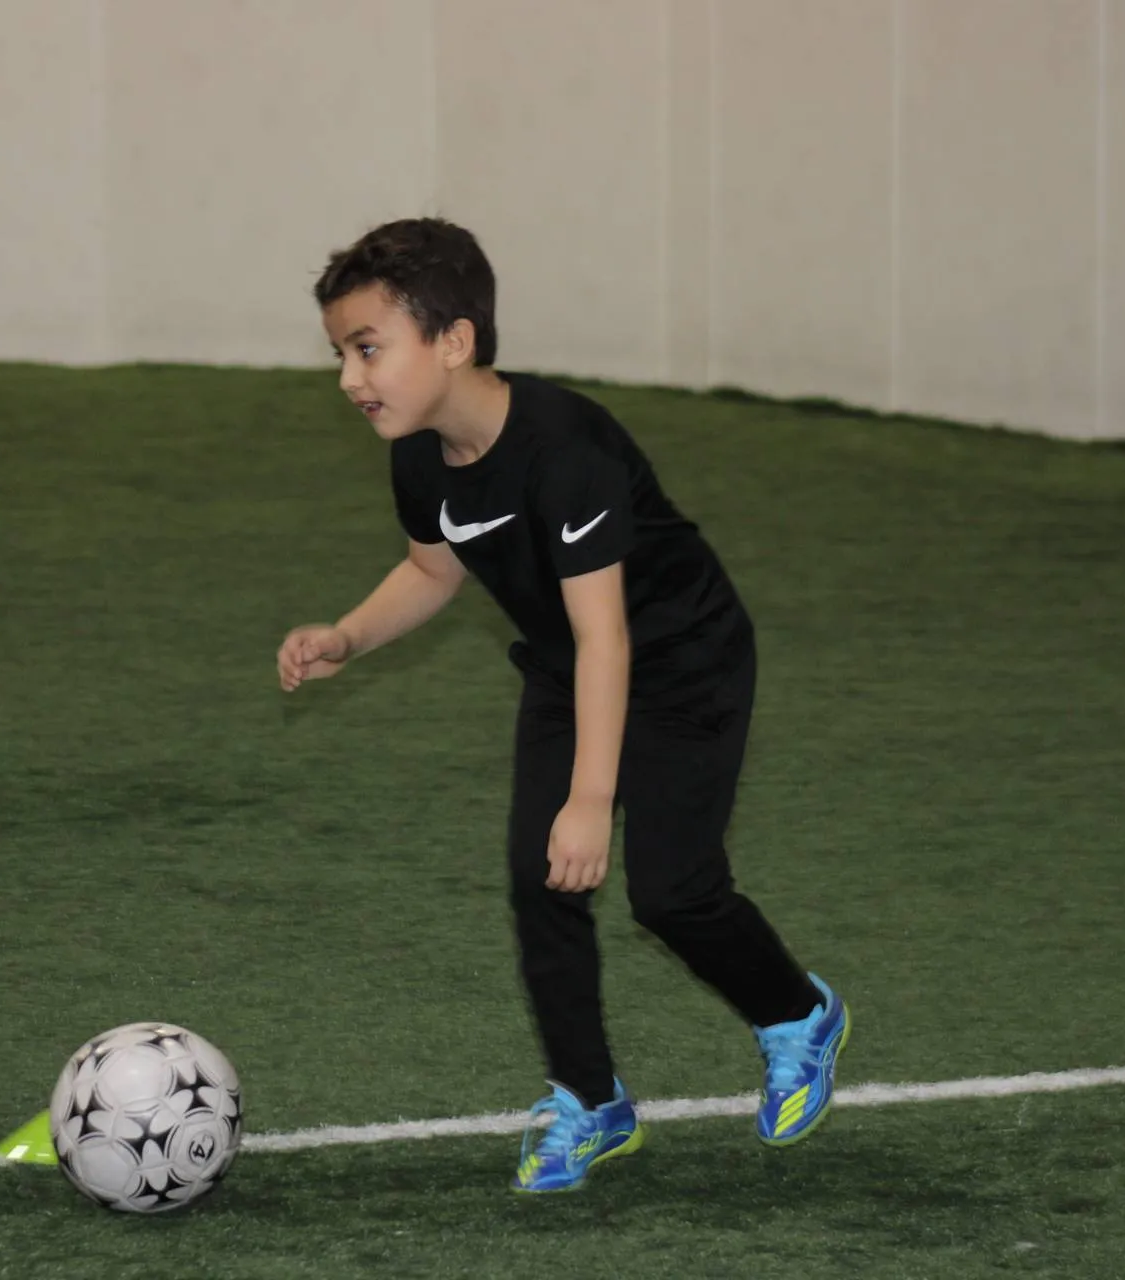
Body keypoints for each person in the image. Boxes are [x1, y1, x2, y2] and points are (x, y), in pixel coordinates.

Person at [276, 218, 849, 1193]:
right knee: (541, 883)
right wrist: (348, 634)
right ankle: (593, 1101)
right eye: (341, 353)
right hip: (562, 664)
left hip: (684, 660)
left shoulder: (564, 448)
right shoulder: (418, 452)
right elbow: (432, 567)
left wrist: (590, 798)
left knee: (672, 890)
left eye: (368, 348)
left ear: (453, 339)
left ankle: (796, 1012)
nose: (350, 378)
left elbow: (608, 637)